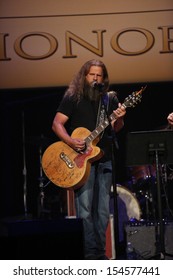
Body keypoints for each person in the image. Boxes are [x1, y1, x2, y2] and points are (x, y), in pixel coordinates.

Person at [52, 59, 126, 260]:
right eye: (92, 74)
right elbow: (57, 124)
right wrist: (70, 141)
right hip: (80, 160)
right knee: (84, 210)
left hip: (104, 157)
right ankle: (88, 255)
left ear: (104, 78)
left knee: (102, 211)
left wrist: (118, 118)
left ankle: (100, 254)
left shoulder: (109, 99)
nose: (95, 78)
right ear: (84, 76)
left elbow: (116, 128)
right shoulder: (73, 96)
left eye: (99, 75)